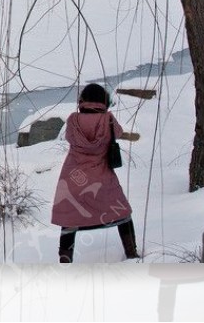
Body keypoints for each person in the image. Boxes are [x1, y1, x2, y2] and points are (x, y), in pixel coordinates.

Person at [51, 83, 141, 263]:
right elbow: (119, 132)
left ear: (83, 100)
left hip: (74, 180)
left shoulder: (73, 120)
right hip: (102, 178)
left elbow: (69, 137)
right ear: (103, 100)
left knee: (69, 222)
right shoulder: (108, 119)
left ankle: (65, 261)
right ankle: (131, 254)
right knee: (123, 214)